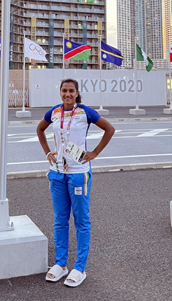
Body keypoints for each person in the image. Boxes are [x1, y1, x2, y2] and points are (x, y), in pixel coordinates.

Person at [36, 78, 115, 287]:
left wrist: (95, 153)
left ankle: (79, 268)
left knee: (81, 221)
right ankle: (60, 265)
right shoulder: (53, 112)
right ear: (60, 92)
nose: (67, 94)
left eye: (71, 91)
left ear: (77, 93)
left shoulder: (85, 112)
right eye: (64, 91)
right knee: (60, 220)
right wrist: (47, 153)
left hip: (79, 173)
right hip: (57, 173)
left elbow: (109, 129)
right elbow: (40, 129)